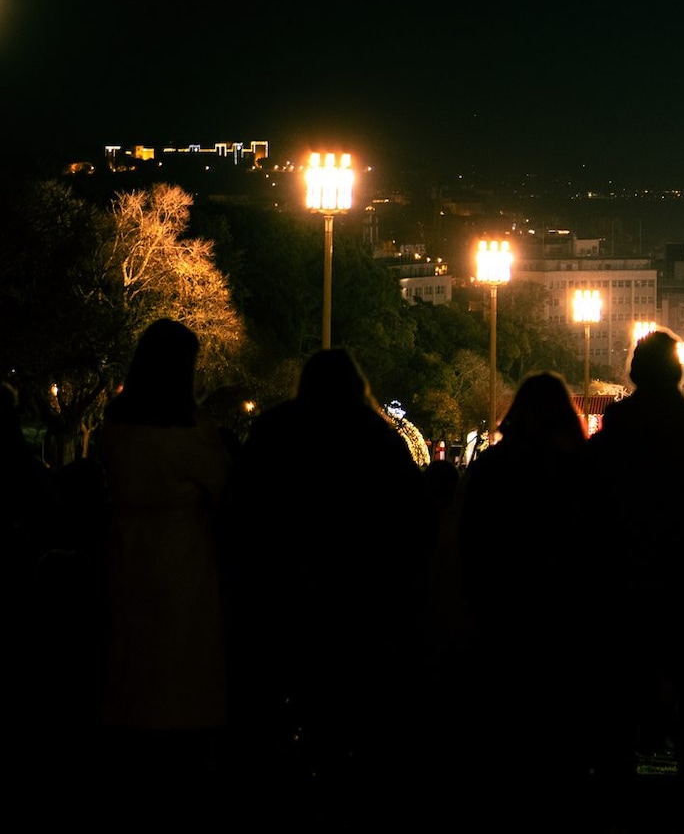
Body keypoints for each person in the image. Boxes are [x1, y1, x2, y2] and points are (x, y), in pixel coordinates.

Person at [222, 348, 435, 795]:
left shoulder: (275, 430)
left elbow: (241, 506)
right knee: (349, 703)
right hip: (360, 593)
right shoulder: (378, 437)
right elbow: (412, 518)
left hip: (284, 589)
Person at [584, 327, 684, 811]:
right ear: (679, 375)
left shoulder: (604, 447)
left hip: (619, 594)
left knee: (616, 709)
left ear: (634, 374)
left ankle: (613, 806)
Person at [95, 318, 235, 792]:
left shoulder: (116, 430)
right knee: (181, 669)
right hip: (183, 560)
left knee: (132, 661)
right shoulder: (192, 435)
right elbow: (224, 491)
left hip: (126, 553)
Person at [457, 370, 601, 794]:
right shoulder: (581, 471)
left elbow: (471, 543)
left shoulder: (492, 469)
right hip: (567, 622)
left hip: (503, 617)